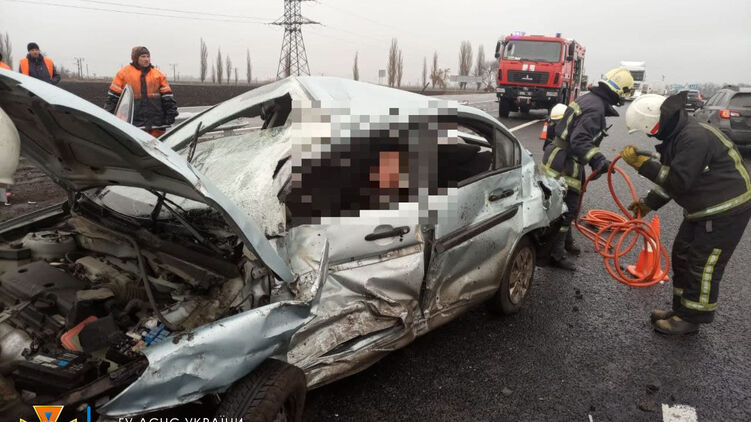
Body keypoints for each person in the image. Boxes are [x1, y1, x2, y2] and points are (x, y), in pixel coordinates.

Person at [621, 92, 751, 335]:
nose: (649, 136)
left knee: (702, 263)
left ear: (654, 124)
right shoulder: (678, 135)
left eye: (648, 131)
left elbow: (679, 181)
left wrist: (644, 166)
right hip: (702, 208)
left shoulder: (693, 138)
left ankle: (691, 319)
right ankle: (681, 310)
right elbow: (673, 177)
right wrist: (649, 203)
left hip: (725, 209)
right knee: (682, 254)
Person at [541, 67, 634, 270]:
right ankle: (555, 254)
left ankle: (565, 243)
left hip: (562, 157)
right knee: (566, 209)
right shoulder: (595, 108)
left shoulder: (590, 99)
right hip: (565, 162)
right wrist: (598, 159)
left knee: (566, 204)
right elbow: (580, 139)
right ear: (619, 91)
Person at [104, 46, 178, 137]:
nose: (146, 59)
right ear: (135, 58)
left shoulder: (158, 75)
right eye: (143, 56)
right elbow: (112, 99)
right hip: (132, 125)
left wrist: (170, 115)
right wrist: (108, 118)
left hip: (156, 125)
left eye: (148, 56)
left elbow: (168, 98)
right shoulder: (123, 74)